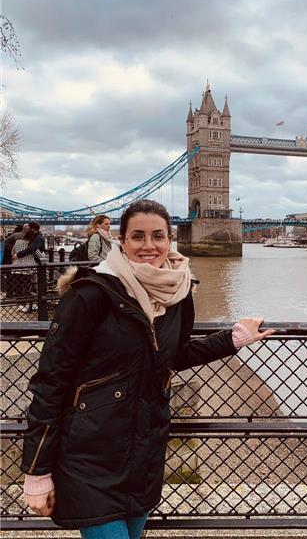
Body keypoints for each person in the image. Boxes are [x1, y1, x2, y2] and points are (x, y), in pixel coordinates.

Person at [21, 199, 274, 538]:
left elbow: (175, 355)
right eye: (137, 236)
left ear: (170, 240)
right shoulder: (91, 294)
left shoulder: (179, 293)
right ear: (121, 241)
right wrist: (36, 471)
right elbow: (50, 383)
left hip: (144, 451)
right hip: (89, 455)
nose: (148, 245)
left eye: (158, 236)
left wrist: (232, 339)